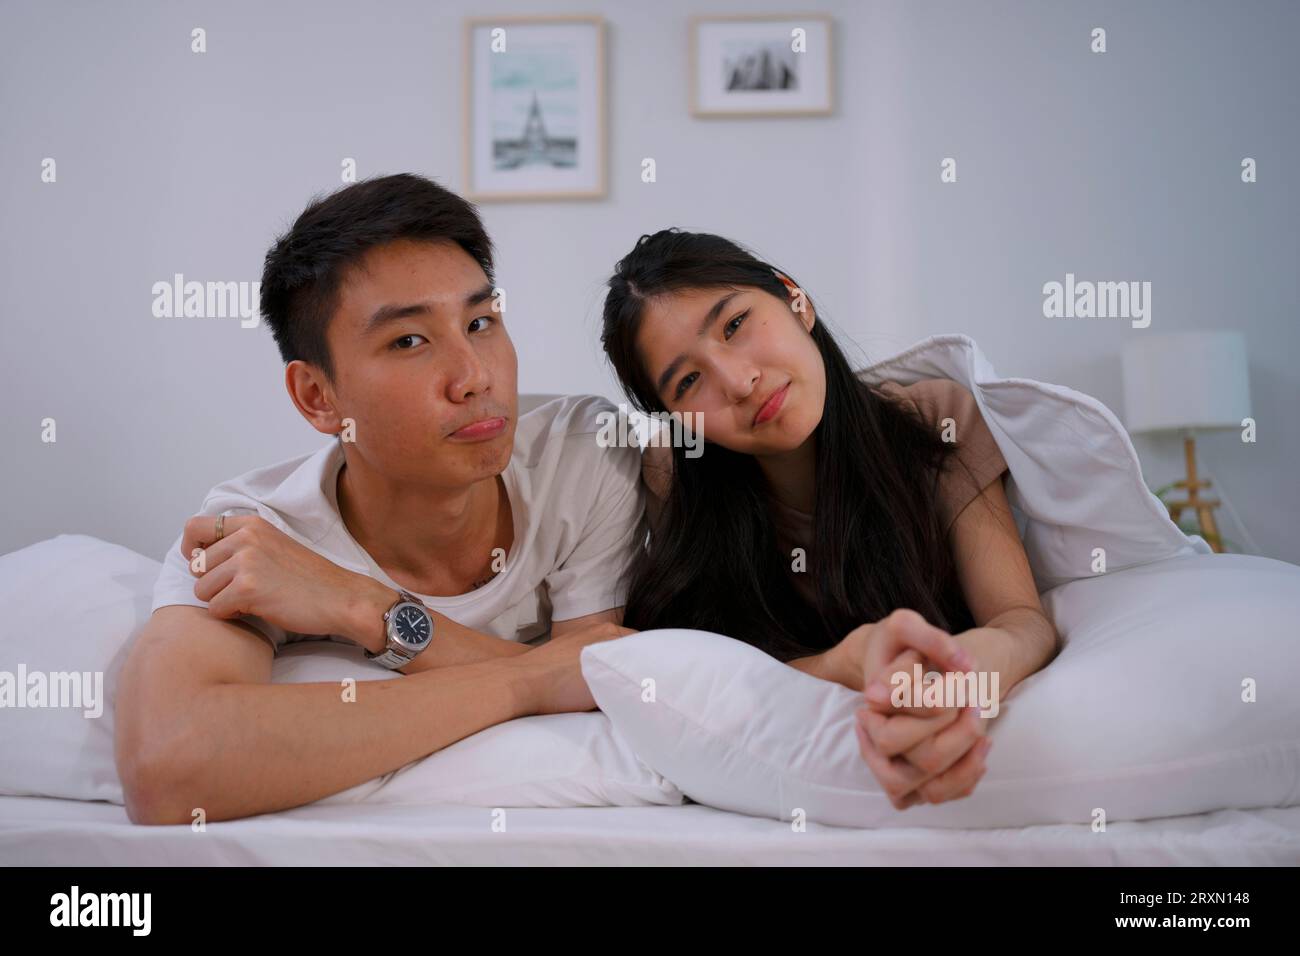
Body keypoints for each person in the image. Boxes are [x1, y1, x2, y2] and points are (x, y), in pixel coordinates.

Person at [115, 174, 647, 824]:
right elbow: (168, 766)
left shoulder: (582, 454)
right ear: (318, 397)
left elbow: (609, 692)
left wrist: (363, 607)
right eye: (409, 341)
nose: (475, 376)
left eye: (480, 322)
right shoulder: (257, 535)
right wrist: (532, 676)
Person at [600, 228, 1061, 809]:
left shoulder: (933, 424)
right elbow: (707, 679)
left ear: (796, 299)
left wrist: (971, 674)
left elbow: (1022, 619)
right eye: (688, 382)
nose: (740, 383)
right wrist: (842, 664)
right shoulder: (678, 479)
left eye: (735, 325)